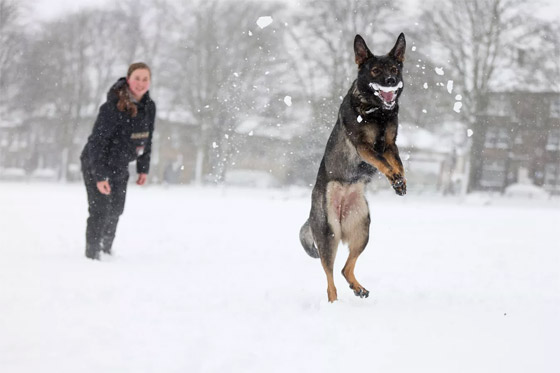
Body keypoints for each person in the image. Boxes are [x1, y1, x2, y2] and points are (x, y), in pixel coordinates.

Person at [80, 62, 156, 260]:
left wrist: (143, 168)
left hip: (120, 164)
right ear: (128, 79)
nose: (140, 83)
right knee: (101, 208)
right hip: (96, 162)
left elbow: (147, 138)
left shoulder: (149, 107)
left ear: (149, 81)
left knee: (116, 209)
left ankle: (106, 250)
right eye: (137, 78)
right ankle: (93, 254)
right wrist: (100, 175)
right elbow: (97, 142)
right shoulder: (112, 107)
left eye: (145, 79)